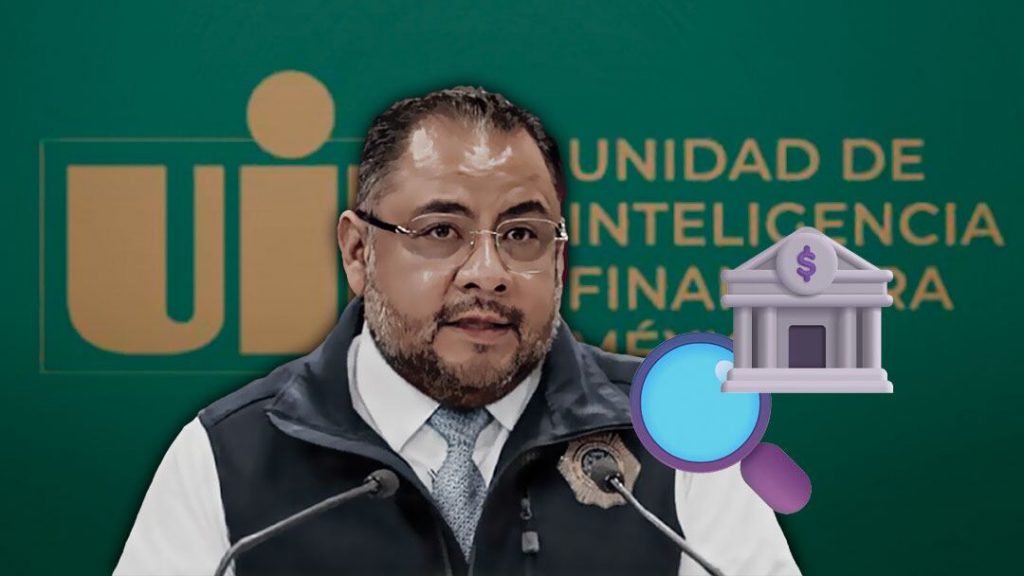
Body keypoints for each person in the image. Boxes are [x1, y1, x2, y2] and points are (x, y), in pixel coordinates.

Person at [114, 86, 801, 576]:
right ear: (358, 253)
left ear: (560, 261)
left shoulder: (674, 438)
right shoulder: (228, 457)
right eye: (440, 231)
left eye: (523, 235)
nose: (488, 273)